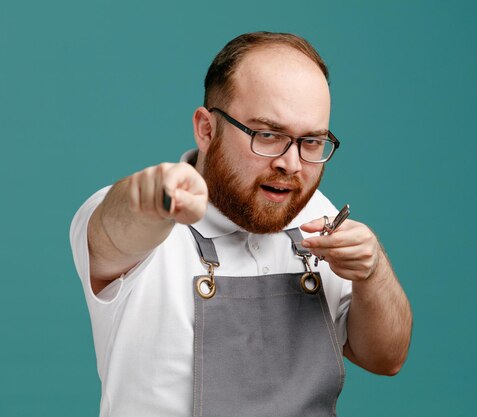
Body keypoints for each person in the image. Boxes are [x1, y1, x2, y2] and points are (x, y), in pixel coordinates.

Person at [70, 31, 412, 417]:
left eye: (312, 142)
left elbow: (387, 359)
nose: (292, 164)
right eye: (268, 135)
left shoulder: (319, 216)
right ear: (206, 129)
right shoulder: (145, 223)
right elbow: (116, 229)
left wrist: (373, 272)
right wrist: (152, 199)